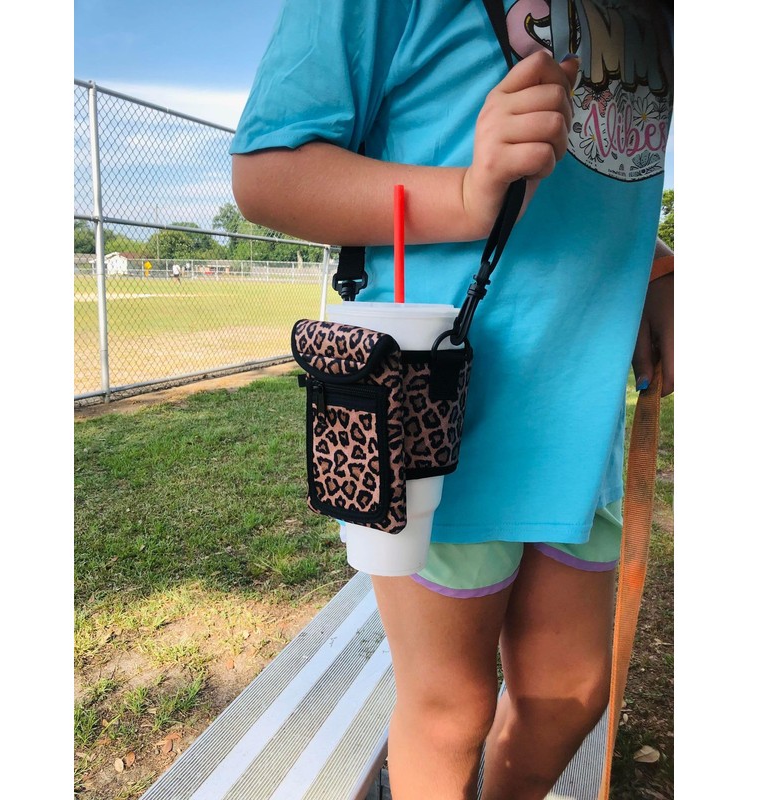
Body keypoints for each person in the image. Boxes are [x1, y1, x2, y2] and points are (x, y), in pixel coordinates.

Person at [231, 2, 673, 798]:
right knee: (449, 712)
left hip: (583, 407)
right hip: (430, 411)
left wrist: (652, 261)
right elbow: (268, 172)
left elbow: (602, 164)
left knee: (571, 694)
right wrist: (470, 194)